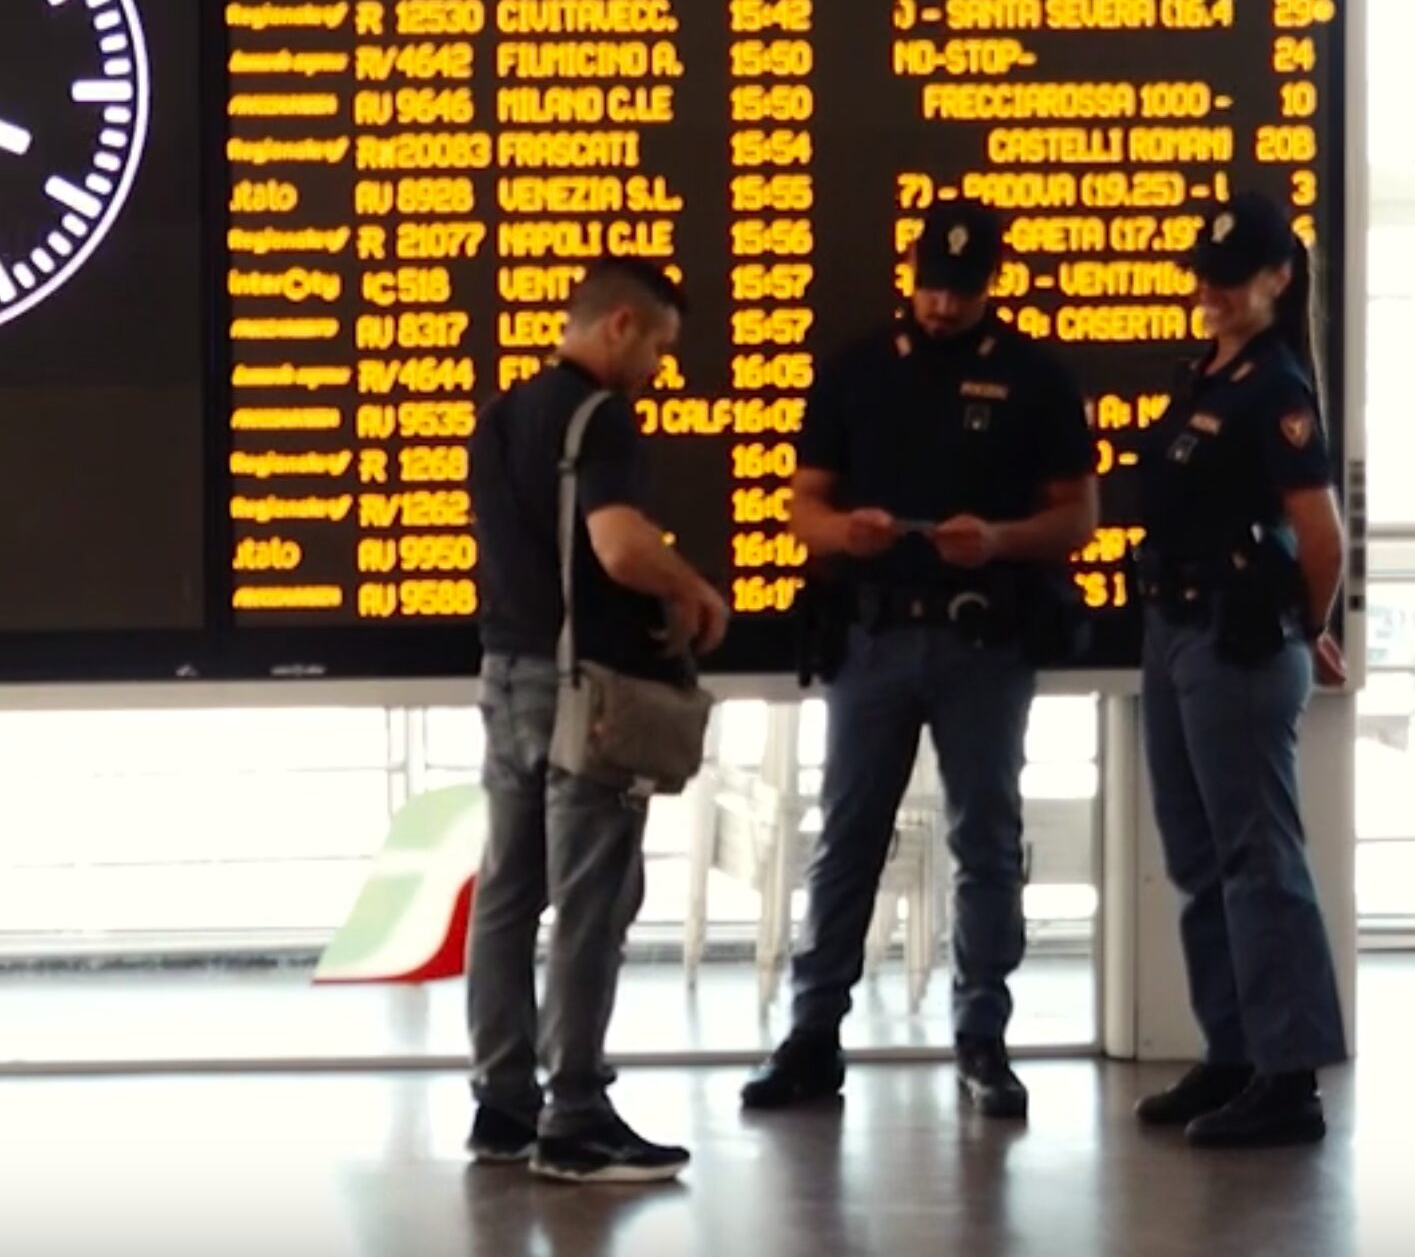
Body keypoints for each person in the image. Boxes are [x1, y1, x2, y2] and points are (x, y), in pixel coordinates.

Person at [741, 200, 1099, 1119]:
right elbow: (804, 508)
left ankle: (982, 1037)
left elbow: (1078, 517)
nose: (943, 305)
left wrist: (1003, 540)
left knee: (986, 839)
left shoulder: (1035, 377)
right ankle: (813, 1034)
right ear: (910, 275)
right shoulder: (857, 369)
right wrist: (844, 535)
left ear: (991, 283)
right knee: (848, 837)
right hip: (872, 636)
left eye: (961, 290)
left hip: (986, 641)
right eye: (932, 286)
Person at [462, 258, 728, 1185]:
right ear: (620, 325)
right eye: (658, 345)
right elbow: (617, 547)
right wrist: (692, 589)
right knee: (592, 901)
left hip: (506, 674)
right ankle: (575, 1116)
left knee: (508, 893)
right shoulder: (599, 418)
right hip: (584, 691)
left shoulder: (500, 415)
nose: (659, 366)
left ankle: (503, 1107)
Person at [1130, 189, 1350, 1149]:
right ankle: (1234, 1051)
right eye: (1206, 275)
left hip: (1237, 642)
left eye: (1234, 278)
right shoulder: (1209, 375)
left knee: (1258, 859)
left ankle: (1288, 1075)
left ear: (1278, 279)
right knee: (1199, 855)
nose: (1213, 291)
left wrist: (1304, 625)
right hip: (1176, 631)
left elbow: (1321, 538)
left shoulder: (1276, 389)